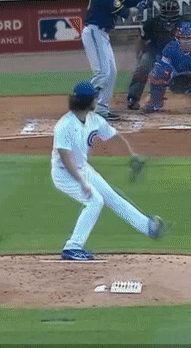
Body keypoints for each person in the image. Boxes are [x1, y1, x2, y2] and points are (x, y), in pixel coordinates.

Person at [51, 80, 167, 261]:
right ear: (87, 101)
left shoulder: (94, 120)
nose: (97, 100)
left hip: (82, 169)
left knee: (112, 196)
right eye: (94, 97)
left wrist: (132, 155)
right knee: (95, 201)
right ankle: (72, 247)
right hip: (64, 173)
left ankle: (147, 227)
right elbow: (65, 157)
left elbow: (114, 137)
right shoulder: (65, 125)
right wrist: (82, 183)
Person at [82, 0, 151, 121]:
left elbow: (125, 3)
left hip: (102, 34)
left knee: (111, 73)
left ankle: (101, 110)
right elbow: (126, 13)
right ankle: (81, 105)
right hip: (94, 32)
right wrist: (142, 6)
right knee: (102, 73)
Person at [126, 0, 183, 110]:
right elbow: (142, 40)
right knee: (142, 69)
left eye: (171, 12)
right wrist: (139, 56)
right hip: (154, 51)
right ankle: (133, 98)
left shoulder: (184, 23)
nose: (169, 15)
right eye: (167, 12)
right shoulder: (151, 23)